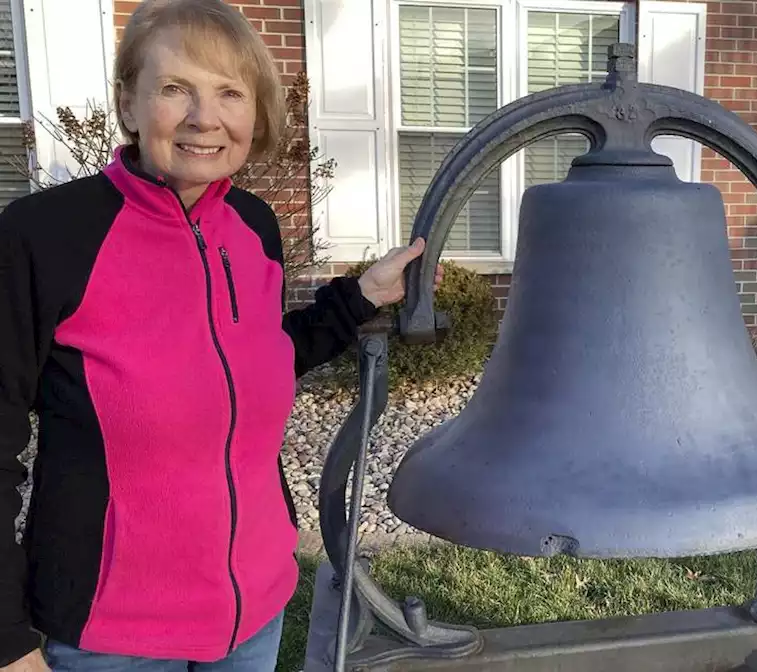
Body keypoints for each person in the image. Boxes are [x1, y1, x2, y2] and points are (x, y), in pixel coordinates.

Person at [0, 1, 443, 670]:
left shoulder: (254, 226)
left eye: (229, 93)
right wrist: (7, 642)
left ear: (254, 113)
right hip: (110, 637)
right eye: (176, 88)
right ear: (128, 103)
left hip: (252, 616)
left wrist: (357, 299)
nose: (204, 118)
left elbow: (254, 357)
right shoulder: (45, 237)